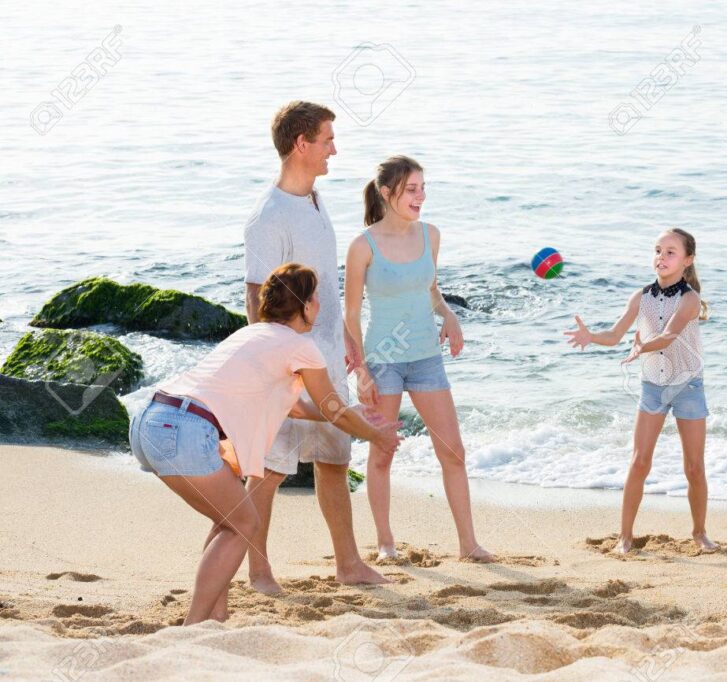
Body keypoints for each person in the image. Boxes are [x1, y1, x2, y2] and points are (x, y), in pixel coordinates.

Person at [129, 264, 402, 624]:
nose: (320, 304)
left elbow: (306, 409)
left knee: (229, 519)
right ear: (304, 306)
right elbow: (332, 408)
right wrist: (377, 434)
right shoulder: (301, 346)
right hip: (187, 430)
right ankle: (194, 626)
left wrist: (347, 415)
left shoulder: (253, 335)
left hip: (151, 421)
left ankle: (215, 614)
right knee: (243, 522)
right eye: (316, 297)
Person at [243, 101, 387, 590]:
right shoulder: (269, 215)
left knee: (334, 460)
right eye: (326, 139)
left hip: (325, 354)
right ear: (300, 144)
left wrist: (346, 340)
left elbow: (326, 283)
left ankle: (348, 566)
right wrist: (273, 368)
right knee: (268, 470)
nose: (334, 149)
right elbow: (256, 295)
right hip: (286, 362)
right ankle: (258, 571)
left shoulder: (315, 198)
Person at [344, 155, 493, 563]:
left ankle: (469, 544)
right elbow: (351, 314)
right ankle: (386, 542)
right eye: (412, 189)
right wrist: (361, 371)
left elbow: (432, 291)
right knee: (382, 453)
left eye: (423, 188)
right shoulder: (363, 246)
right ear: (387, 192)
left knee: (453, 452)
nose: (420, 196)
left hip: (427, 357)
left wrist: (449, 315)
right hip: (383, 361)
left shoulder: (431, 235)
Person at [565, 228, 718, 554]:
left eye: (671, 252)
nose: (661, 257)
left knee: (694, 466)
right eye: (658, 250)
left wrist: (641, 347)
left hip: (688, 385)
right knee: (639, 461)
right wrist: (591, 336)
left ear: (688, 260)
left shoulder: (689, 299)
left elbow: (669, 334)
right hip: (653, 386)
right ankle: (624, 537)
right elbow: (616, 333)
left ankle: (700, 532)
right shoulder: (642, 296)